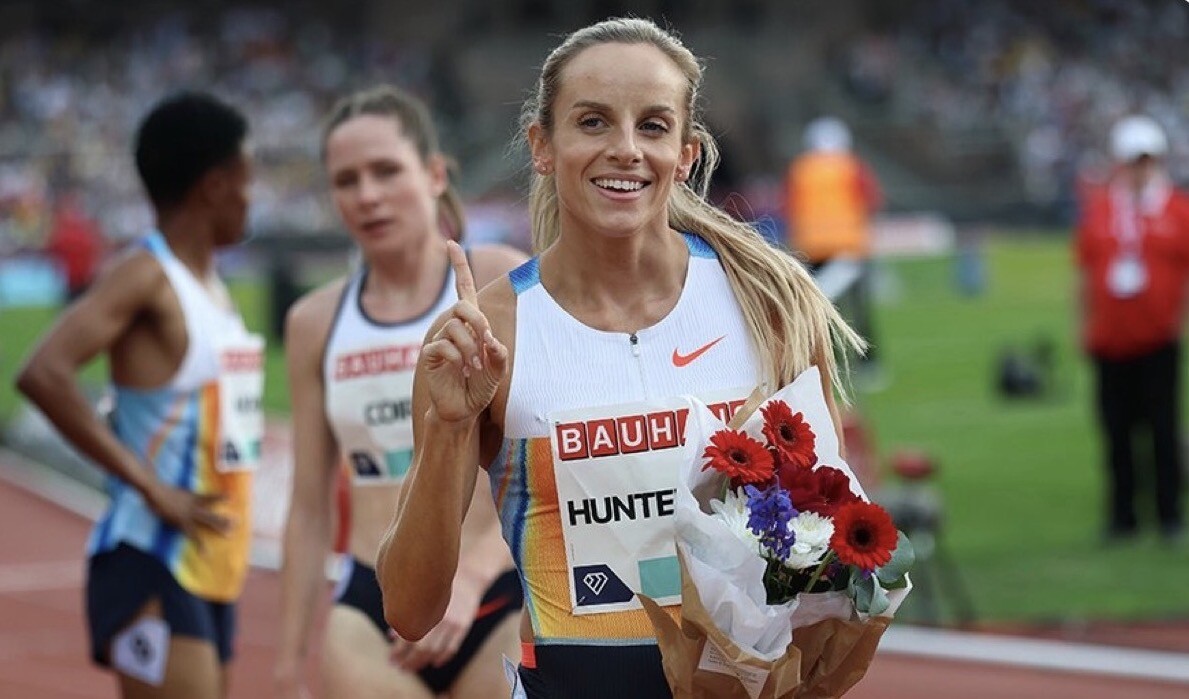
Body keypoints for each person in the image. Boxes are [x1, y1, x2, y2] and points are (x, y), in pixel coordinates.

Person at [375, 18, 863, 698]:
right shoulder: (487, 334)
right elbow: (409, 608)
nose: (626, 149)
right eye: (593, 122)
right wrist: (450, 426)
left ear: (685, 154)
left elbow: (832, 537)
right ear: (542, 146)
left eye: (653, 126)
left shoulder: (767, 302)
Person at [274, 85, 527, 699]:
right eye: (346, 180)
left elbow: (546, 460)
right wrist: (287, 664)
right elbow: (308, 508)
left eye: (386, 170)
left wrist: (471, 575)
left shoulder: (500, 275)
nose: (367, 195)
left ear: (435, 174)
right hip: (372, 609)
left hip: (497, 593)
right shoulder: (314, 322)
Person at [14, 91, 262, 698]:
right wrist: (150, 485)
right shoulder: (146, 276)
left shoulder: (211, 286)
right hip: (151, 557)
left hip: (208, 562)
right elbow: (43, 372)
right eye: (246, 179)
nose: (252, 197)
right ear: (214, 185)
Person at [1075, 113, 1189, 545]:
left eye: (1146, 160)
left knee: (1162, 430)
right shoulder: (1101, 211)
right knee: (1116, 432)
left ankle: (1169, 515)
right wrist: (1082, 325)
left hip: (1159, 340)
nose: (1140, 169)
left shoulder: (1177, 210)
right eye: (1133, 161)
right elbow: (1084, 273)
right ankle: (1123, 517)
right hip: (1110, 341)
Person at [784, 115, 884, 384]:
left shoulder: (800, 170)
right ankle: (868, 363)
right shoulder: (851, 166)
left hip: (812, 247)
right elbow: (871, 199)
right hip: (849, 246)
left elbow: (790, 206)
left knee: (822, 311)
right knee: (859, 310)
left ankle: (832, 362)